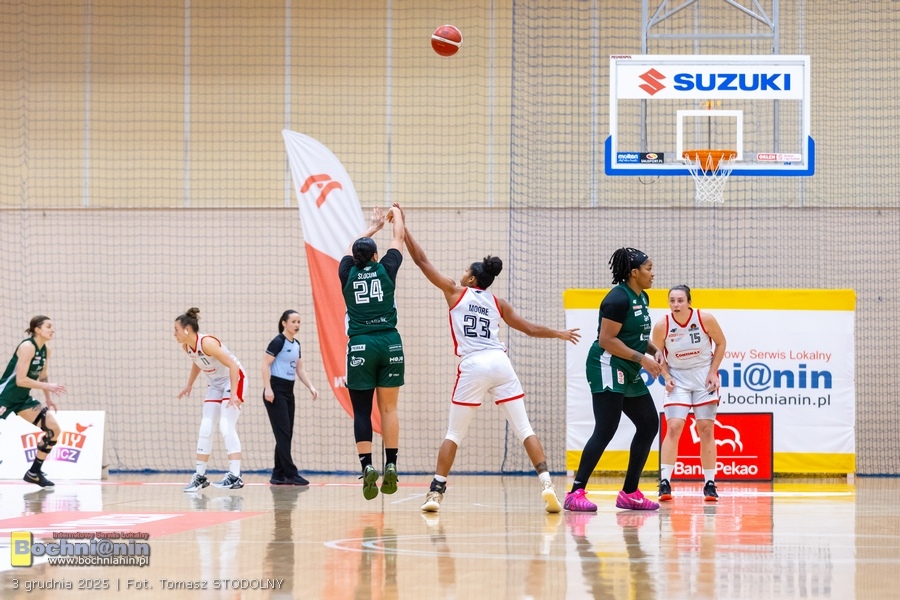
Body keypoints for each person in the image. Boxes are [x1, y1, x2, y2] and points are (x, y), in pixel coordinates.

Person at [400, 208, 580, 514]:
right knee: (524, 428)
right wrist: (559, 333)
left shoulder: (455, 291)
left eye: (464, 272)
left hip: (473, 365)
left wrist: (403, 228)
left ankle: (435, 493)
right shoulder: (498, 303)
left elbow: (421, 260)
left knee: (454, 433)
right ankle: (548, 484)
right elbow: (529, 329)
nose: (461, 274)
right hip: (500, 362)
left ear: (471, 278)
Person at [566, 247, 663, 512]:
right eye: (648, 268)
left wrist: (654, 350)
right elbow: (607, 340)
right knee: (606, 428)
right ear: (634, 272)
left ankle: (630, 493)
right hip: (606, 364)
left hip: (627, 366)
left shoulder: (642, 297)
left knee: (648, 424)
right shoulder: (617, 299)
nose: (653, 274)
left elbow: (636, 336)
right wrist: (643, 360)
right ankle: (575, 492)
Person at [338, 205, 405, 500]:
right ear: (376, 256)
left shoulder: (346, 272)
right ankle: (391, 463)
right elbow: (399, 238)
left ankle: (367, 467)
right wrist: (395, 213)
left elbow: (350, 250)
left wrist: (372, 228)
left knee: (362, 411)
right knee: (389, 409)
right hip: (390, 342)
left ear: (354, 258)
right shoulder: (386, 268)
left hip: (360, 345)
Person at [651, 285, 727, 502]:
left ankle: (710, 483)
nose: (676, 305)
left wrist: (713, 372)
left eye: (680, 300)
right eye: (672, 301)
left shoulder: (704, 318)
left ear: (689, 302)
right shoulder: (662, 325)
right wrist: (666, 376)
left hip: (703, 377)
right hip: (678, 378)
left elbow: (721, 343)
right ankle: (665, 482)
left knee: (706, 429)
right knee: (674, 427)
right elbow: (658, 355)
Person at [174, 308, 247, 491]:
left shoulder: (207, 343)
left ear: (187, 329)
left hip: (235, 378)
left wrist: (233, 393)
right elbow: (197, 362)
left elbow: (233, 366)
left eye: (176, 329)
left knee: (226, 425)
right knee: (206, 427)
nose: (174, 333)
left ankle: (235, 476)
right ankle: (200, 477)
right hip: (215, 384)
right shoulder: (187, 347)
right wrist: (189, 384)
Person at [0, 316, 67, 488]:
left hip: (22, 399)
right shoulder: (27, 347)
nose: (53, 330)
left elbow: (43, 375)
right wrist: (48, 386)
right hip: (4, 397)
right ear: (37, 329)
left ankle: (34, 473)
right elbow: (21, 380)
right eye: (49, 326)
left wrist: (48, 397)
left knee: (53, 429)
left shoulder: (46, 350)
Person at [262, 309, 319, 486]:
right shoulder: (278, 341)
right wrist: (268, 389)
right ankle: (291, 474)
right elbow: (265, 365)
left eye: (298, 322)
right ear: (284, 323)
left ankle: (278, 474)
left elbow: (300, 369)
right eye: (293, 322)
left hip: (289, 391)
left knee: (286, 435)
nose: (296, 325)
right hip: (275, 390)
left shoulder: (297, 344)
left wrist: (311, 387)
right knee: (283, 434)